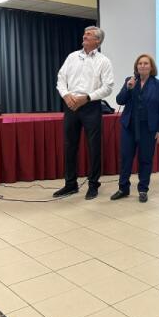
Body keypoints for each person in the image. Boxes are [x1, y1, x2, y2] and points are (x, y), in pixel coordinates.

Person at [55, 26, 114, 200]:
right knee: (69, 146)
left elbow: (108, 87)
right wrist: (66, 95)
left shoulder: (104, 61)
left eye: (89, 34)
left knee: (94, 147)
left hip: (91, 106)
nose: (84, 36)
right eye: (85, 33)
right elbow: (61, 78)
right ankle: (70, 184)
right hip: (71, 104)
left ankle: (93, 185)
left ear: (97, 40)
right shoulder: (72, 56)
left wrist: (87, 97)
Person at [111, 54, 159, 203]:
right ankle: (123, 188)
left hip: (148, 128)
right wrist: (128, 88)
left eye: (146, 63)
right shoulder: (130, 81)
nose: (142, 66)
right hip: (129, 126)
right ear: (136, 67)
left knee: (145, 159)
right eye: (140, 63)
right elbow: (120, 100)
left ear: (151, 67)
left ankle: (143, 189)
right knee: (126, 158)